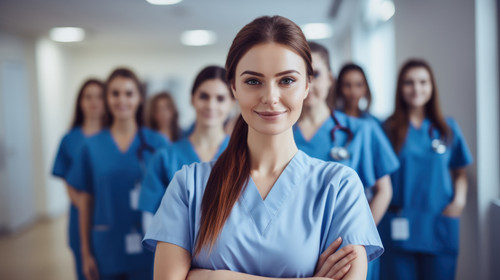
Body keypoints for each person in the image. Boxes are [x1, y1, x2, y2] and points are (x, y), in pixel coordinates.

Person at [143, 15, 383, 280]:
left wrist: (210, 277)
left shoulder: (340, 188)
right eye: (253, 81)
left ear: (307, 85)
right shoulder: (189, 185)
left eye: (287, 80)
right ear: (234, 86)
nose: (270, 97)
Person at [294, 42, 399, 280]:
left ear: (331, 79)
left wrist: (358, 237)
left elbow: (384, 191)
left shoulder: (362, 130)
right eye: (300, 75)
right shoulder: (279, 133)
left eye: (316, 74)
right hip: (295, 250)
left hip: (349, 253)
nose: (309, 83)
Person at [67, 68, 169, 280]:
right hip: (107, 247)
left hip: (150, 247)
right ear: (107, 98)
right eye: (115, 93)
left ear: (140, 98)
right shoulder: (91, 146)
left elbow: (174, 202)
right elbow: (86, 202)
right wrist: (86, 254)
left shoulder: (158, 144)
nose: (121, 100)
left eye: (129, 93)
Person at [379, 59, 473, 280]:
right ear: (400, 88)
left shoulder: (447, 128)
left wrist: (458, 201)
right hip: (400, 224)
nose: (416, 89)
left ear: (432, 87)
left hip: (438, 221)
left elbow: (460, 171)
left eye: (423, 82)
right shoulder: (387, 129)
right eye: (409, 83)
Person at [139, 65, 233, 222]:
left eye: (220, 98)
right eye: (204, 96)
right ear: (192, 99)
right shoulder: (165, 158)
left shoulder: (244, 155)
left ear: (232, 103)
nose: (211, 105)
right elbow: (150, 217)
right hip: (174, 246)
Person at [52, 78, 106, 280]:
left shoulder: (114, 136)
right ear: (80, 102)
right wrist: (87, 206)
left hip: (111, 216)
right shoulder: (69, 140)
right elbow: (70, 183)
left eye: (99, 96)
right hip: (80, 216)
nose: (94, 102)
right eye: (88, 97)